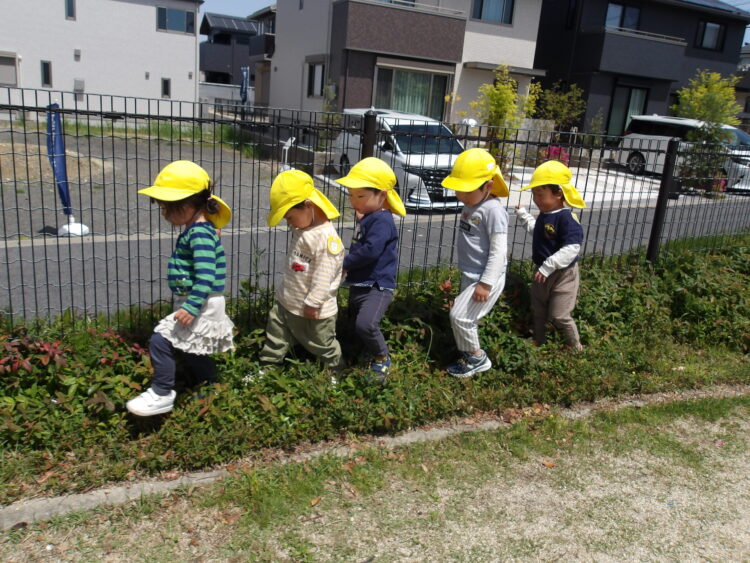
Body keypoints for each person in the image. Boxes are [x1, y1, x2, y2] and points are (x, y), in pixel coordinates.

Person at [127, 161, 234, 416]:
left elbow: (206, 275)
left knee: (160, 340)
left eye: (167, 208)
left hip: (202, 301)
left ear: (186, 205)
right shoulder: (198, 229)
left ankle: (162, 392)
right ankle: (211, 387)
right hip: (200, 299)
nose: (164, 214)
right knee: (193, 349)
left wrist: (192, 306)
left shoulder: (199, 233)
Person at [258, 168, 345, 371]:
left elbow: (324, 277)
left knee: (322, 342)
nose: (289, 223)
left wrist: (313, 303)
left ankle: (335, 370)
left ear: (309, 205)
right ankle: (268, 367)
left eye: (289, 217)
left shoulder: (326, 239)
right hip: (287, 300)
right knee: (275, 336)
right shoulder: (304, 225)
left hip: (315, 309)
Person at [441, 148, 509, 378]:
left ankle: (477, 359)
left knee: (459, 316)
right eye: (458, 189)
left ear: (488, 186)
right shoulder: (472, 203)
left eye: (466, 190)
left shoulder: (494, 211)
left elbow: (499, 252)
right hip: (470, 273)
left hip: (486, 277)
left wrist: (486, 283)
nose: (461, 195)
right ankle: (468, 356)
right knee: (467, 318)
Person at [335, 157, 406, 381]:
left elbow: (370, 250)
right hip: (361, 281)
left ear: (382, 195)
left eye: (361, 196)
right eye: (351, 195)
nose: (354, 201)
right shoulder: (372, 216)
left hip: (377, 285)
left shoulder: (382, 221)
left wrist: (345, 263)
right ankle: (365, 352)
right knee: (356, 323)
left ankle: (382, 357)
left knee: (366, 323)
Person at [515, 160, 586, 351]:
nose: (536, 199)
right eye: (534, 194)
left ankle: (574, 346)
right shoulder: (545, 214)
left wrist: (549, 265)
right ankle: (539, 342)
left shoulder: (566, 218)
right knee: (538, 310)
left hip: (563, 274)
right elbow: (537, 231)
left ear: (558, 194)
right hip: (542, 272)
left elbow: (572, 248)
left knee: (559, 315)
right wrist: (523, 216)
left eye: (540, 194)